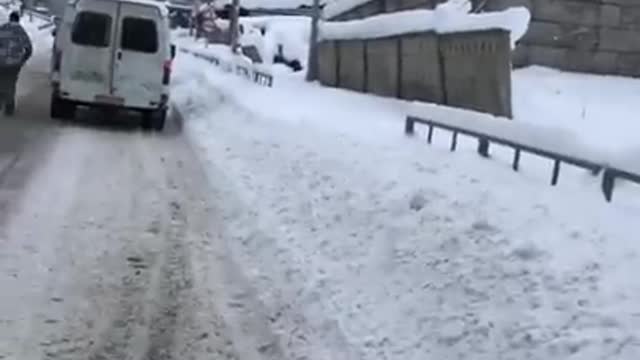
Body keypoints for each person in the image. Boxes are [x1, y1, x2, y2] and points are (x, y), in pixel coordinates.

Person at [0, 11, 33, 116]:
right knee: (10, 83)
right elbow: (28, 48)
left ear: (10, 18)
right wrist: (23, 60)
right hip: (14, 63)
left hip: (1, 61)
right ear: (18, 19)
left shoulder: (2, 28)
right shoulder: (20, 31)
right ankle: (9, 106)